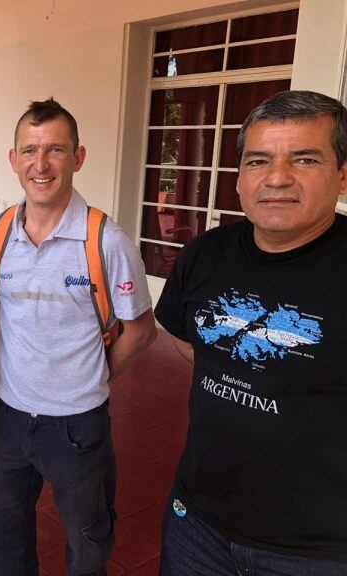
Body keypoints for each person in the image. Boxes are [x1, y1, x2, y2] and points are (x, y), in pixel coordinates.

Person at [155, 90, 347, 575]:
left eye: (305, 159)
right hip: (197, 522)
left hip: (318, 548)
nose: (277, 178)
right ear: (240, 178)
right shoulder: (204, 254)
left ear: (342, 175)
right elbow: (187, 339)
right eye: (259, 160)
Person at [0, 98, 156, 576]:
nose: (41, 164)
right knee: (2, 528)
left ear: (78, 158)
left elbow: (140, 331)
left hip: (78, 425)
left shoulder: (107, 241)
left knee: (88, 537)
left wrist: (92, 377)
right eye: (30, 150)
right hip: (9, 418)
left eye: (55, 149)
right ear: (13, 161)